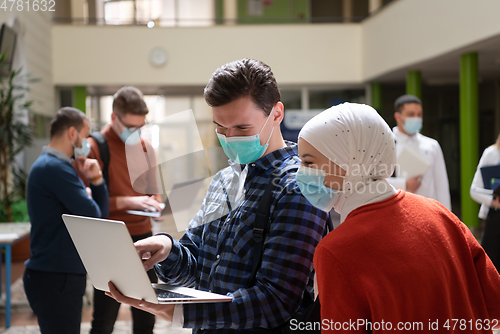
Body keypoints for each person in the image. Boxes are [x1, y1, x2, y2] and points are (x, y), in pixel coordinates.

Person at [106, 58, 329, 333]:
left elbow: (277, 301)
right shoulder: (226, 179)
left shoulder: (298, 187)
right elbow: (196, 266)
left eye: (242, 128)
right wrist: (166, 249)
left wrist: (179, 313)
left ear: (276, 114)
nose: (230, 138)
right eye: (220, 128)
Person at [296, 102, 500, 333]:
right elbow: (493, 302)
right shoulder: (442, 216)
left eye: (309, 162)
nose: (300, 173)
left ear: (349, 162)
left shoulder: (336, 251)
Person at [79, 86, 162, 334]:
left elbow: (154, 193)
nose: (136, 133)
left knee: (147, 314)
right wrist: (129, 202)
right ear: (114, 118)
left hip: (144, 237)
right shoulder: (94, 147)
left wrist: (156, 205)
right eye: (131, 127)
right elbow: (85, 203)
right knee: (105, 318)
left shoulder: (146, 148)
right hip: (109, 238)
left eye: (140, 127)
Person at [24, 107, 109, 333]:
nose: (88, 141)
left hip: (54, 273)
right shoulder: (55, 168)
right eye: (86, 134)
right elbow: (96, 216)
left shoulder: (50, 166)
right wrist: (97, 179)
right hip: (57, 276)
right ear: (73, 134)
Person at [388, 94, 451, 210]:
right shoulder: (387, 144)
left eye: (419, 114)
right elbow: (375, 183)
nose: (416, 118)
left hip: (428, 211)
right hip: (398, 210)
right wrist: (404, 184)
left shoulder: (431, 145)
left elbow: (441, 185)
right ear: (398, 117)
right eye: (411, 114)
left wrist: (447, 215)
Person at [470, 134, 500, 273]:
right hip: (494, 216)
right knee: (492, 267)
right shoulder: (491, 153)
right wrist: (493, 201)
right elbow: (474, 190)